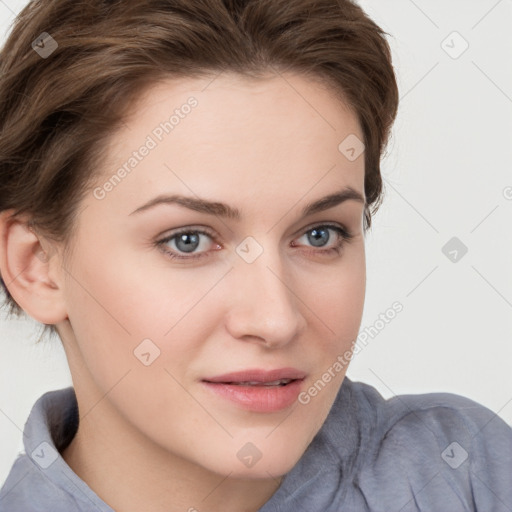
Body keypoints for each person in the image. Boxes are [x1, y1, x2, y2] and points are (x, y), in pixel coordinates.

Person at [0, 0, 510, 511]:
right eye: (189, 241)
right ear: (36, 265)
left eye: (318, 235)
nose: (276, 320)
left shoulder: (466, 473)